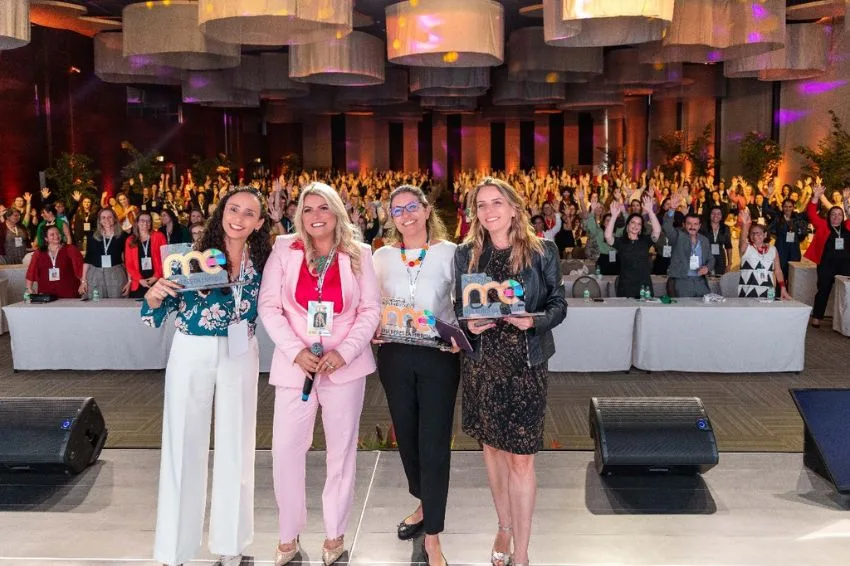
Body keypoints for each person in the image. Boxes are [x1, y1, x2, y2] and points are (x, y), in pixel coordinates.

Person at [140, 187, 272, 566]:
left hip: (240, 350)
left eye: (250, 213)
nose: (239, 218)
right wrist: (153, 298)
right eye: (234, 209)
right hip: (192, 348)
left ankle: (232, 545)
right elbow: (157, 307)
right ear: (221, 212)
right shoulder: (188, 255)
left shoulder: (263, 261)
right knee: (182, 443)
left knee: (238, 443)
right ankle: (173, 549)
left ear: (260, 223)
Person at [258, 182, 380, 566]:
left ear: (337, 212)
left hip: (344, 367)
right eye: (308, 209)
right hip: (296, 367)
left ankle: (335, 533)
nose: (315, 216)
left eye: (323, 208)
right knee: (286, 451)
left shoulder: (359, 252)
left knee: (340, 453)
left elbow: (371, 310)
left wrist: (344, 352)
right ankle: (288, 533)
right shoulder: (284, 249)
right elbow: (269, 306)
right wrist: (296, 352)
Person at [453, 178, 566, 566]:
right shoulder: (466, 254)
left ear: (514, 207)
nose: (489, 211)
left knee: (522, 458)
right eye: (481, 205)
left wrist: (533, 320)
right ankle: (504, 524)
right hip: (483, 366)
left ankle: (523, 552)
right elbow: (457, 307)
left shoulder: (542, 251)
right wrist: (468, 325)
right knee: (493, 451)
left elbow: (558, 305)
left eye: (496, 202)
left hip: (527, 366)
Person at [373, 185, 459, 566]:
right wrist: (372, 325)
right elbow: (370, 303)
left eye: (412, 207)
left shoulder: (451, 253)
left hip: (438, 357)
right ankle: (424, 504)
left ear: (426, 210)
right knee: (407, 439)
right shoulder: (382, 256)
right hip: (394, 356)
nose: (405, 215)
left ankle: (434, 537)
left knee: (434, 443)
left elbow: (466, 302)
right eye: (397, 210)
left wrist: (463, 337)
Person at [806, 183, 850, 327]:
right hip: (826, 264)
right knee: (823, 289)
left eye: (839, 214)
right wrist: (815, 197)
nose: (836, 217)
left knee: (846, 291)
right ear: (829, 216)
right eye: (833, 214)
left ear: (842, 216)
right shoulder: (823, 226)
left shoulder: (847, 227)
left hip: (845, 265)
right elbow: (811, 213)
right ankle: (817, 317)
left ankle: (845, 320)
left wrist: (845, 201)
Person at [604, 194, 662, 298]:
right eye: (633, 223)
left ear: (641, 228)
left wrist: (650, 212)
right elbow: (608, 237)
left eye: (639, 224)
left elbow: (657, 231)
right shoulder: (621, 241)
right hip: (626, 286)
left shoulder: (645, 240)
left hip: (644, 285)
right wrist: (613, 216)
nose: (636, 226)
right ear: (628, 225)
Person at [663, 194, 715, 297]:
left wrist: (707, 268)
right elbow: (667, 226)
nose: (692, 227)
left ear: (699, 226)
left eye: (695, 224)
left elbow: (711, 259)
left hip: (700, 282)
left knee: (706, 310)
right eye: (689, 224)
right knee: (685, 310)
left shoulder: (704, 240)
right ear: (684, 225)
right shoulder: (678, 236)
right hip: (682, 281)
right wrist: (672, 209)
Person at [737, 209, 790, 300]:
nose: (755, 235)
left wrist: (783, 287)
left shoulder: (773, 250)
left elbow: (778, 271)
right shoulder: (746, 248)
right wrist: (745, 226)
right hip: (747, 292)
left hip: (768, 292)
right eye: (752, 233)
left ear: (765, 235)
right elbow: (742, 241)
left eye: (758, 233)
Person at [80, 208, 129, 299]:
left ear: (114, 219)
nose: (107, 220)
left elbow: (128, 260)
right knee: (96, 305)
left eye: (110, 217)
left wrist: (129, 281)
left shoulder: (123, 236)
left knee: (116, 305)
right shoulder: (92, 236)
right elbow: (88, 259)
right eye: (103, 217)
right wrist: (83, 281)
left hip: (116, 274)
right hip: (95, 275)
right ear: (100, 221)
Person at [25, 225, 83, 298]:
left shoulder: (70, 249)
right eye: (52, 234)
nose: (56, 236)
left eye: (58, 233)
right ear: (46, 238)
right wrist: (29, 288)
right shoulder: (39, 253)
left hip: (69, 292)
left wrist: (83, 283)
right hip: (46, 294)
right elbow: (31, 271)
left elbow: (80, 268)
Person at [767, 198, 809, 285]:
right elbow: (766, 211)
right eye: (785, 206)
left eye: (790, 207)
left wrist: (800, 233)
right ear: (782, 207)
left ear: (793, 207)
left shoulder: (797, 218)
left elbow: (803, 233)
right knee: (780, 275)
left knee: (793, 276)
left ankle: (791, 297)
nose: (788, 209)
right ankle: (779, 295)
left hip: (794, 250)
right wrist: (767, 196)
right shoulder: (778, 218)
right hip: (781, 250)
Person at [125, 212, 166, 299]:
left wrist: (156, 277)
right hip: (138, 283)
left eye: (148, 221)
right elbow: (129, 264)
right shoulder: (130, 240)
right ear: (137, 223)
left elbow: (165, 259)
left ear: (151, 223)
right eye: (142, 220)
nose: (145, 223)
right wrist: (140, 280)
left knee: (157, 308)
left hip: (157, 281)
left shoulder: (159, 236)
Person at [700, 206, 733, 275]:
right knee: (705, 278)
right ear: (709, 215)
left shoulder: (725, 228)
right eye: (713, 213)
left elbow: (728, 246)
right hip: (706, 256)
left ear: (722, 216)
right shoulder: (703, 226)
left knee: (719, 279)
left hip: (720, 257)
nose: (715, 215)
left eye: (718, 213)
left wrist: (729, 263)